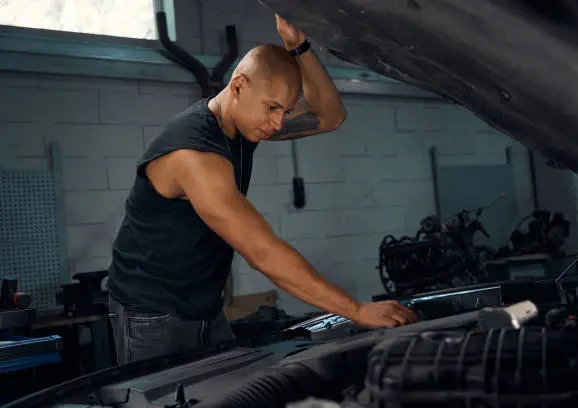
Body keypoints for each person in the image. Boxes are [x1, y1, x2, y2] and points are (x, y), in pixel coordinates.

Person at [106, 15, 417, 365]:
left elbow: (330, 115)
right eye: (272, 108)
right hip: (152, 313)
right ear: (238, 86)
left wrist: (298, 46)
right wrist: (356, 309)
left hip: (204, 303)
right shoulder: (194, 154)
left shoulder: (243, 125)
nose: (278, 123)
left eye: (285, 111)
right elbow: (261, 251)